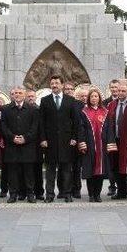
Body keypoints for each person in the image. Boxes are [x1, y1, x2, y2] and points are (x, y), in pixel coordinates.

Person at [39, 75, 80, 203]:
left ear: (62, 85)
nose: (54, 85)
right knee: (50, 170)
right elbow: (41, 122)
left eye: (57, 83)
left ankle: (67, 193)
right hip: (50, 142)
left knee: (66, 170)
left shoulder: (70, 100)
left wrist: (74, 137)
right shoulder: (45, 101)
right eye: (52, 83)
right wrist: (43, 139)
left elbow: (75, 121)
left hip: (67, 141)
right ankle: (49, 194)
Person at [1, 85, 39, 203]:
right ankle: (13, 194)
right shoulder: (5, 109)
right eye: (15, 93)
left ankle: (30, 194)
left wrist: (25, 138)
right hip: (11, 145)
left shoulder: (32, 109)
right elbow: (3, 126)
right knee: (12, 171)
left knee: (28, 171)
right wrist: (12, 137)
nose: (17, 95)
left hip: (28, 145)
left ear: (25, 95)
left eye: (20, 93)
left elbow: (35, 127)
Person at [105, 80, 127, 200]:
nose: (121, 93)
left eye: (123, 91)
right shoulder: (111, 105)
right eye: (119, 91)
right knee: (117, 167)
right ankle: (121, 192)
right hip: (116, 140)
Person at [80, 87, 109, 202]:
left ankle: (97, 194)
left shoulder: (105, 112)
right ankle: (91, 194)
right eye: (92, 96)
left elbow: (109, 130)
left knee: (100, 171)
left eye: (96, 96)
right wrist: (82, 143)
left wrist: (109, 144)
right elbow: (80, 129)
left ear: (99, 98)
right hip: (90, 145)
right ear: (89, 98)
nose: (94, 98)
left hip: (102, 146)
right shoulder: (84, 112)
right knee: (90, 170)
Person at [64, 82, 83, 199]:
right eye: (66, 89)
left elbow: (81, 123)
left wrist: (77, 139)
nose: (69, 91)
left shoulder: (80, 104)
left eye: (71, 89)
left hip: (76, 140)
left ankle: (77, 189)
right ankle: (65, 190)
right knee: (65, 167)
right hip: (63, 141)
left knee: (76, 167)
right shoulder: (61, 103)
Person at [103, 79, 120, 196]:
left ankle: (124, 185)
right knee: (111, 163)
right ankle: (112, 185)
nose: (114, 89)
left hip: (121, 137)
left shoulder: (125, 101)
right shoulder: (104, 103)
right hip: (110, 137)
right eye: (112, 87)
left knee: (122, 162)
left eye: (116, 87)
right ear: (109, 88)